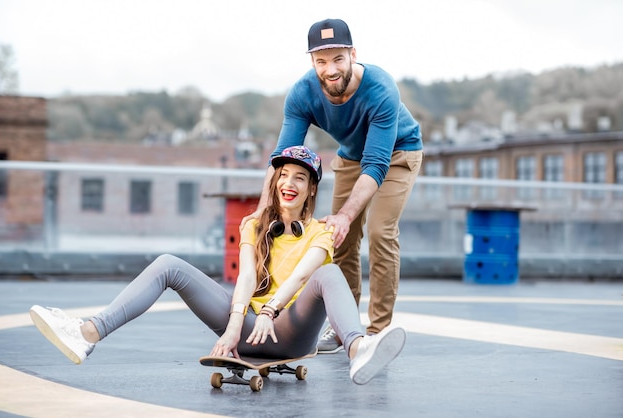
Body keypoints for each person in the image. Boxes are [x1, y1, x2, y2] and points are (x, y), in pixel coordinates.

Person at [29, 146, 406, 385]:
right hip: (245, 327)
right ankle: (89, 333)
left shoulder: (320, 232)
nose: (289, 183)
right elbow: (244, 277)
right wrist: (231, 328)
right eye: (283, 176)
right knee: (168, 264)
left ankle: (358, 352)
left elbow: (303, 274)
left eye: (300, 178)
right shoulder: (254, 225)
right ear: (274, 184)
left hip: (290, 329)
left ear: (311, 189)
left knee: (329, 271)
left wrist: (271, 310)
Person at [243, 19, 423, 353]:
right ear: (312, 63)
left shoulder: (381, 88)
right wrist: (261, 211)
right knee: (340, 239)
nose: (331, 69)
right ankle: (345, 327)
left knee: (381, 232)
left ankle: (376, 331)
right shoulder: (302, 94)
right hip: (352, 158)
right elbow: (280, 160)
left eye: (338, 58)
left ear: (353, 55)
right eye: (321, 61)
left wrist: (345, 214)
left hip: (397, 154)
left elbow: (377, 164)